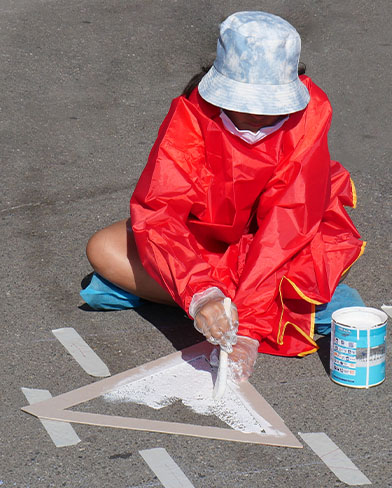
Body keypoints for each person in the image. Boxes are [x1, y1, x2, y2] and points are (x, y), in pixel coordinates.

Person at [84, 11, 365, 383]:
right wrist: (202, 294)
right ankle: (226, 307)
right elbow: (159, 211)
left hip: (283, 245)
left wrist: (246, 327)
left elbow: (287, 227)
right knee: (103, 249)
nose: (254, 115)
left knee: (328, 291)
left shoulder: (310, 114)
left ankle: (235, 308)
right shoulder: (191, 114)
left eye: (267, 106)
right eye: (243, 101)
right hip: (208, 242)